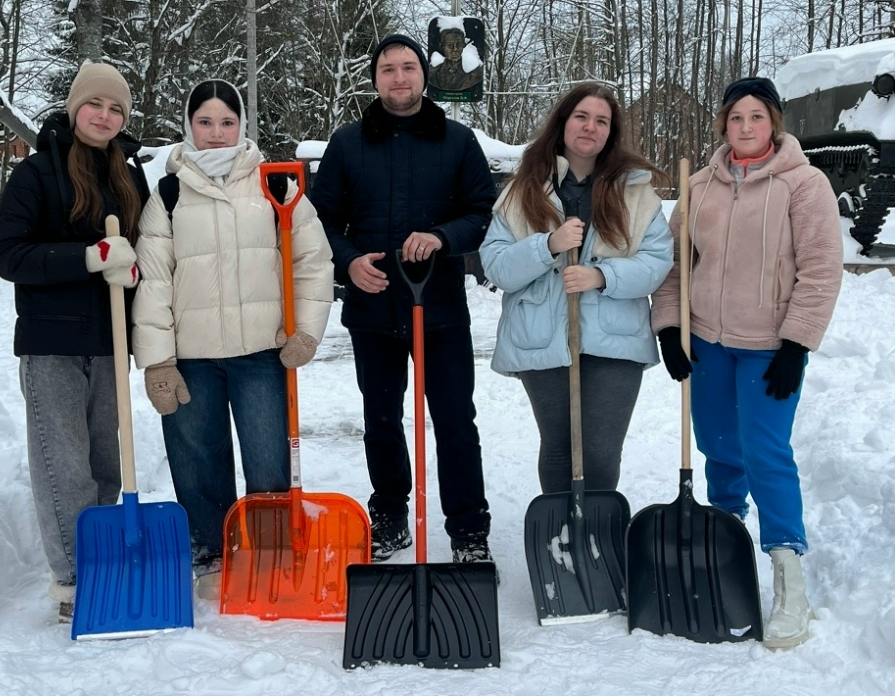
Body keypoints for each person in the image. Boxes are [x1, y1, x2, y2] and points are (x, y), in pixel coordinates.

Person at [649, 76, 842, 649]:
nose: (746, 126)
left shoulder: (804, 184)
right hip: (707, 340)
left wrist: (797, 343)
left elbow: (821, 268)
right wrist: (670, 327)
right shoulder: (699, 185)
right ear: (724, 124)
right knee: (717, 445)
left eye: (757, 116)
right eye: (736, 117)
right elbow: (674, 265)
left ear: (774, 122)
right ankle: (726, 542)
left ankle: (789, 575)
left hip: (769, 346)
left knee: (766, 451)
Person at [130, 79, 334, 591]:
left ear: (242, 125)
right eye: (205, 122)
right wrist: (157, 360)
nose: (217, 132)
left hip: (262, 354)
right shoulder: (169, 195)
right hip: (191, 356)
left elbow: (312, 263)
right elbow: (154, 282)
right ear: (189, 126)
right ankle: (210, 549)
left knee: (268, 459)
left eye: (227, 121)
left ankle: (269, 548)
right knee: (197, 460)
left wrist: (308, 331)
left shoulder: (276, 187)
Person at [309, 34, 497, 563]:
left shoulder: (457, 141)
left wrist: (442, 237)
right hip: (372, 309)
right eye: (388, 68)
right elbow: (320, 220)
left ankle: (468, 530)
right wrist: (348, 262)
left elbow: (482, 212)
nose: (398, 77)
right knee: (382, 420)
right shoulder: (347, 143)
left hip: (440, 307)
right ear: (375, 79)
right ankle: (390, 516)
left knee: (455, 420)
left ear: (423, 75)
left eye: (408, 67)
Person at [0, 63, 148, 622]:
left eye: (116, 109)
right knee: (64, 465)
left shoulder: (130, 177)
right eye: (95, 105)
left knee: (106, 460)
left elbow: (143, 250)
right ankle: (73, 579)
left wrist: (134, 274)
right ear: (75, 107)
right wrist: (87, 257)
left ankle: (102, 560)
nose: (104, 117)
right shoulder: (35, 173)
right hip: (52, 343)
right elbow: (9, 256)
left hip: (109, 340)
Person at [479, 83, 673, 495]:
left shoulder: (635, 192)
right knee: (558, 448)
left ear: (611, 132)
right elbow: (496, 266)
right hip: (542, 334)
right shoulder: (523, 190)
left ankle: (595, 529)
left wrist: (602, 277)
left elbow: (656, 263)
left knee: (600, 450)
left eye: (601, 121)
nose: (590, 127)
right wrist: (548, 245)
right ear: (563, 123)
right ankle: (559, 528)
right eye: (581, 117)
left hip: (615, 338)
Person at [429, 27, 483, 93]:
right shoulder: (432, 72)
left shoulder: (476, 72)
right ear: (442, 48)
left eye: (459, 44)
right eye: (450, 45)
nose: (455, 49)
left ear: (464, 46)